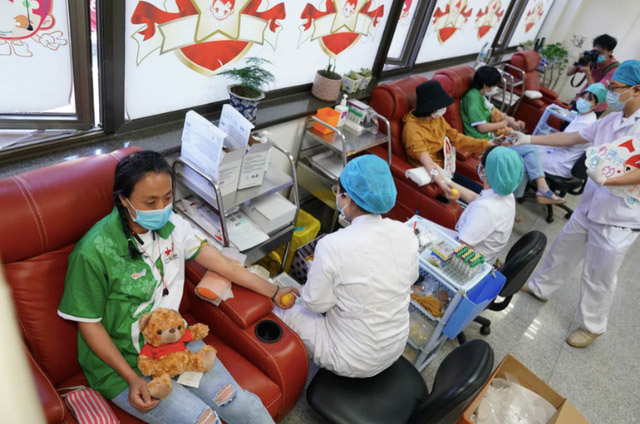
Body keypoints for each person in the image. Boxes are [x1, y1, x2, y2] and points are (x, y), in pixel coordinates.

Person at [57, 151, 298, 423]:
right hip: (124, 361)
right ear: (124, 199)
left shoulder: (174, 226)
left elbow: (222, 264)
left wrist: (273, 290)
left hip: (175, 339)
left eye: (168, 197)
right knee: (203, 420)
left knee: (235, 401)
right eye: (150, 202)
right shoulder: (93, 252)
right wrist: (132, 378)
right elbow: (89, 325)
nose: (162, 208)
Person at [516, 60, 640, 348]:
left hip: (619, 218)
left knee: (599, 275)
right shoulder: (610, 120)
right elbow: (572, 136)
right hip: (589, 206)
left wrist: (609, 180)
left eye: (615, 88)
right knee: (562, 250)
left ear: (636, 89)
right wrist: (530, 138)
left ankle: (592, 326)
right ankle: (541, 287)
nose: (611, 93)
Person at [275, 155, 419, 378]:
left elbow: (315, 304)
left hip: (352, 359)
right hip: (394, 346)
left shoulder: (332, 245)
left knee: (284, 307)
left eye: (338, 192)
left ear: (346, 197)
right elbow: (409, 278)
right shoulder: (404, 233)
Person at [460, 66, 566, 205]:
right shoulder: (473, 98)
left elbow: (496, 111)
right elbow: (482, 127)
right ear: (486, 85)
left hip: (493, 137)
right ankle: (541, 189)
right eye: (494, 85)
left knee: (523, 161)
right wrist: (503, 124)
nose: (495, 88)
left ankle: (512, 201)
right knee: (530, 149)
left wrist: (513, 122)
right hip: (484, 141)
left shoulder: (480, 96)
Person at [403, 80, 498, 204]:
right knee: (479, 202)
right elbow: (429, 163)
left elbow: (457, 139)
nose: (444, 108)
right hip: (434, 177)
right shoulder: (412, 130)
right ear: (432, 108)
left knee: (484, 193)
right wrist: (444, 185)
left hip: (447, 170)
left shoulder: (436, 119)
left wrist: (486, 144)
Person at [456, 146, 524, 266]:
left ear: (484, 171)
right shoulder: (507, 194)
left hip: (466, 266)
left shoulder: (485, 209)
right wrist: (446, 182)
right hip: (485, 259)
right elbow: (475, 198)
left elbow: (460, 254)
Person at [538, 83, 607, 178]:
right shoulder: (583, 115)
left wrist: (531, 139)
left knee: (529, 153)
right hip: (559, 152)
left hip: (562, 162)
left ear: (596, 105)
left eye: (589, 99)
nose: (583, 101)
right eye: (583, 97)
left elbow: (563, 141)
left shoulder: (587, 123)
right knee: (530, 149)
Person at [566, 34, 619, 115]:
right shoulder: (592, 58)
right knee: (567, 121)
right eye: (595, 51)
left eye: (600, 53)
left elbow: (596, 91)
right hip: (581, 100)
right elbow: (568, 73)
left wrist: (587, 72)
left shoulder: (614, 69)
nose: (597, 55)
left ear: (610, 52)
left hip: (595, 106)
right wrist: (580, 60)